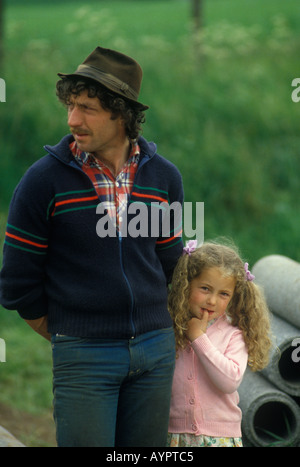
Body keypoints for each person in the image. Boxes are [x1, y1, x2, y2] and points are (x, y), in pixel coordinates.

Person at [0, 46, 184, 447]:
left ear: (123, 114)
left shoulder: (163, 178)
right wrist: (72, 335)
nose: (72, 120)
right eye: (70, 106)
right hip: (84, 356)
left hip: (155, 352)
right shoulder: (43, 181)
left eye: (86, 108)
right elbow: (17, 282)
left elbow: (172, 263)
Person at [167, 240, 272, 447]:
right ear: (186, 285)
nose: (212, 301)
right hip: (174, 436)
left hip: (220, 438)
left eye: (223, 294)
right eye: (205, 289)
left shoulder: (233, 335)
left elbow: (229, 381)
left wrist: (198, 338)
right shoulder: (171, 329)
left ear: (233, 297)